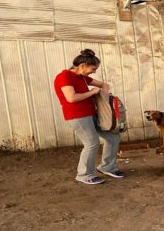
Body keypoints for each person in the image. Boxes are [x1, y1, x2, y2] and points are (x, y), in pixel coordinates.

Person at [54, 49, 125, 185]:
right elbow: (71, 98)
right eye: (93, 68)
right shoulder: (64, 77)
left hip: (92, 114)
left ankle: (107, 167)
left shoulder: (81, 77)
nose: (94, 71)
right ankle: (84, 174)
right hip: (77, 116)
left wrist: (105, 97)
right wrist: (92, 92)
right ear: (83, 65)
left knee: (113, 137)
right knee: (92, 144)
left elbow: (104, 84)